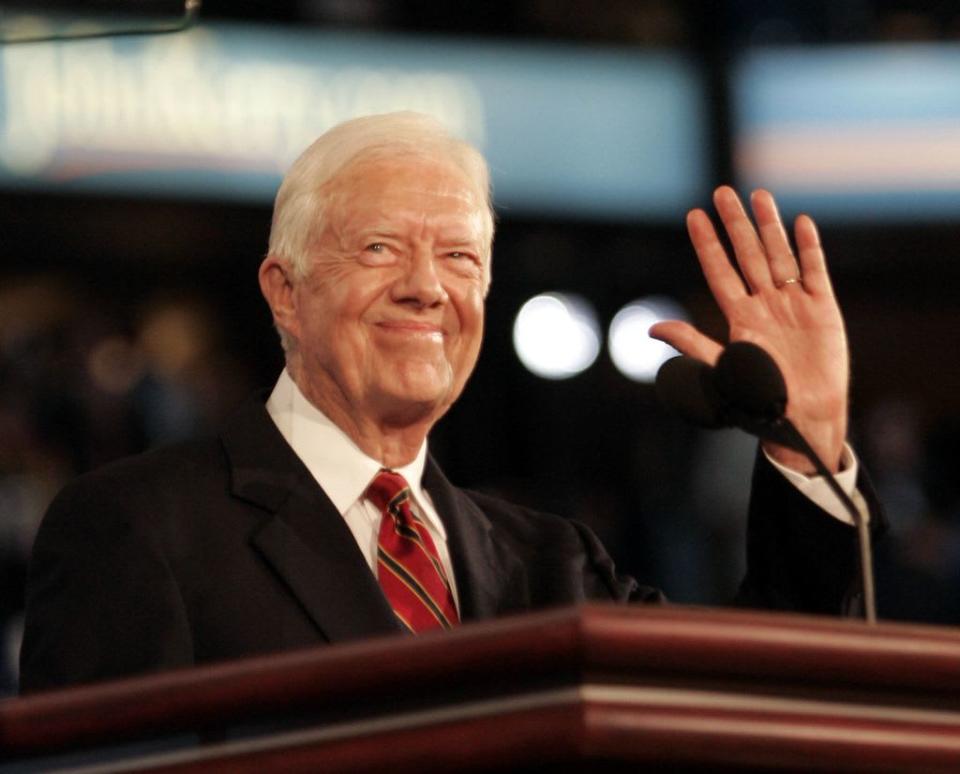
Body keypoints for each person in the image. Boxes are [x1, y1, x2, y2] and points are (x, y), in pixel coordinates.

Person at [19, 112, 876, 694]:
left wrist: (808, 449)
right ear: (285, 291)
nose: (427, 289)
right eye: (381, 247)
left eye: (461, 259)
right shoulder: (137, 529)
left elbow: (747, 704)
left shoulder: (554, 564)